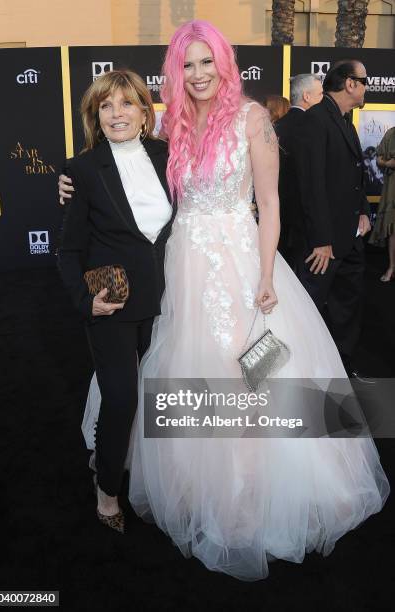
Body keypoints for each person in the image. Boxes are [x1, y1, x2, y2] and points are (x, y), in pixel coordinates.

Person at [60, 26, 389, 581]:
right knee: (188, 370)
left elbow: (269, 202)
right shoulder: (171, 123)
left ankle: (250, 492)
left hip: (241, 265)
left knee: (253, 374)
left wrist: (265, 274)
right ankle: (200, 486)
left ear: (225, 63)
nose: (197, 74)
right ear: (175, 70)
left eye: (206, 61)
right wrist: (69, 182)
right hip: (181, 268)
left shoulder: (253, 120)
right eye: (186, 65)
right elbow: (125, 164)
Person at [57, 70, 174, 533]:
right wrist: (87, 301)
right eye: (106, 106)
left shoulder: (169, 157)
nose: (117, 114)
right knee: (122, 397)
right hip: (113, 304)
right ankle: (107, 490)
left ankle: (152, 472)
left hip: (168, 298)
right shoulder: (82, 170)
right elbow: (68, 251)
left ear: (146, 112)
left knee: (158, 396)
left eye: (127, 104)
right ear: (95, 116)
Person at [291, 60, 372, 380]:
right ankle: (307, 371)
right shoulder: (315, 121)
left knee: (347, 305)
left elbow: (353, 177)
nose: (368, 87)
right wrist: (322, 240)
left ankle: (341, 365)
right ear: (350, 84)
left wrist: (364, 209)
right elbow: (311, 185)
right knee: (309, 307)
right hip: (322, 243)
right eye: (364, 81)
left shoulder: (345, 122)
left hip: (350, 236)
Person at [275, 74, 323, 264]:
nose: (324, 99)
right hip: (305, 218)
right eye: (320, 94)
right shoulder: (316, 127)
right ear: (306, 96)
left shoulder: (276, 126)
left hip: (278, 214)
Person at [368, 126, 395, 281]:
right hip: (392, 189)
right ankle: (392, 267)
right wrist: (387, 163)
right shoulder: (391, 133)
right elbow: (378, 159)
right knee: (392, 229)